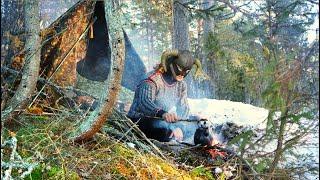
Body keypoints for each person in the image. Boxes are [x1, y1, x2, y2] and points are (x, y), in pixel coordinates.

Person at [127, 49, 204, 142]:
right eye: (180, 69)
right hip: (140, 120)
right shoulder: (151, 80)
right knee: (166, 131)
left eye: (186, 71)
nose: (182, 74)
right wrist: (163, 114)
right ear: (171, 64)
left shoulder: (181, 85)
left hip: (162, 120)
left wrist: (180, 126)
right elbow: (144, 103)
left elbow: (184, 109)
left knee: (197, 125)